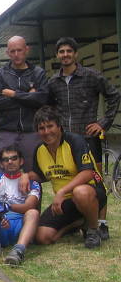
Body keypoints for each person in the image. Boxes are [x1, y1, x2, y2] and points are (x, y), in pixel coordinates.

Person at [48, 36, 120, 240]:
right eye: (61, 52)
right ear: (57, 55)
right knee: (74, 181)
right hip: (66, 141)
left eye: (69, 51)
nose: (65, 55)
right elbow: (49, 107)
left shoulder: (91, 76)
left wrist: (103, 123)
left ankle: (102, 224)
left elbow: (114, 95)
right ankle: (84, 221)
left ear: (76, 54)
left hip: (88, 138)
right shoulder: (53, 82)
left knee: (97, 181)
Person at [28, 106, 106, 249]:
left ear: (59, 126)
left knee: (80, 192)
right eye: (41, 128)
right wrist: (24, 177)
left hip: (91, 194)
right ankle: (78, 223)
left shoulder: (75, 141)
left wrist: (62, 191)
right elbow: (39, 175)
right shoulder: (39, 150)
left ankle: (93, 230)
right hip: (65, 202)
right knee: (41, 236)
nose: (46, 132)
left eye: (50, 126)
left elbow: (88, 172)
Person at [0, 35, 49, 171]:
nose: (16, 54)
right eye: (12, 51)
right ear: (7, 52)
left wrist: (14, 94)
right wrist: (30, 96)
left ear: (27, 49)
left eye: (19, 50)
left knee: (33, 172)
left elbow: (42, 99)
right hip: (7, 131)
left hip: (32, 131)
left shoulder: (38, 73)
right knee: (3, 174)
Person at [0, 146, 40, 266]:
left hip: (21, 226)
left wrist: (7, 207)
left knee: (33, 213)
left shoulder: (32, 182)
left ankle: (18, 250)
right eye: (5, 159)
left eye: (14, 158)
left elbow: (30, 205)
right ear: (1, 164)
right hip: (0, 223)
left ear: (21, 161)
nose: (10, 162)